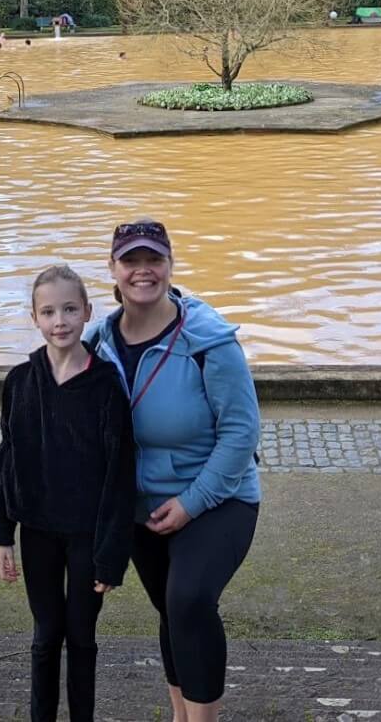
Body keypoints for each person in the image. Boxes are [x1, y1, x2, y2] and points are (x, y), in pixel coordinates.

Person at [85, 221, 260, 722]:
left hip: (218, 495)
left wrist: (192, 502)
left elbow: (241, 433)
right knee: (170, 608)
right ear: (113, 271)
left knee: (189, 598)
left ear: (170, 264)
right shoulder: (97, 344)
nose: (144, 271)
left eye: (154, 259)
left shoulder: (209, 340)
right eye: (131, 261)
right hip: (141, 506)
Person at [0, 265, 136, 722]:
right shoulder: (19, 382)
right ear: (34, 318)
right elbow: (8, 458)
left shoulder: (106, 385)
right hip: (37, 530)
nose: (60, 321)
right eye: (49, 311)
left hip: (88, 536)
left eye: (70, 309)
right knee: (46, 633)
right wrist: (1, 533)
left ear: (88, 313)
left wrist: (113, 553)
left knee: (82, 634)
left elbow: (120, 474)